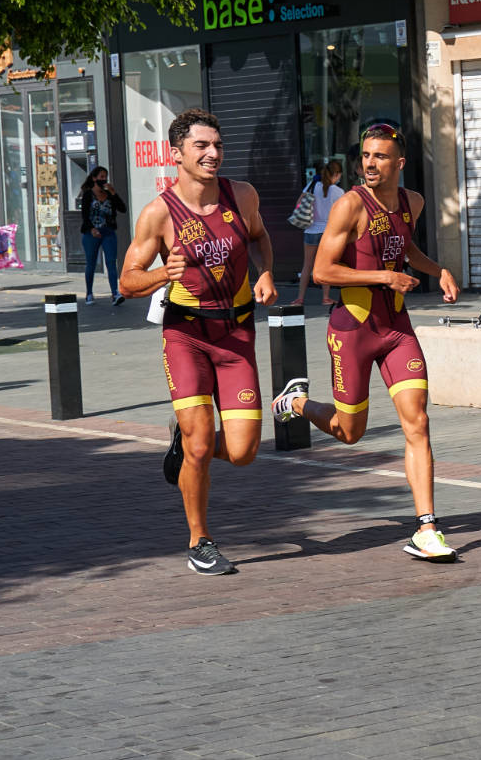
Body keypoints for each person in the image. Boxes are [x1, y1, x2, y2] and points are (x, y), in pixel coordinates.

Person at [270, 125, 462, 562]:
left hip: (396, 329)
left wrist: (438, 270)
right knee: (349, 432)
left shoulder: (413, 201)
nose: (370, 164)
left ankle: (427, 527)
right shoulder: (350, 206)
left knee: (417, 421)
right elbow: (322, 271)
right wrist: (383, 276)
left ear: (399, 163)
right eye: (366, 156)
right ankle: (297, 402)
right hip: (352, 329)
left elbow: (405, 247)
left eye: (380, 156)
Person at [118, 109, 277, 576]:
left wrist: (266, 272)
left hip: (236, 336)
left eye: (217, 145)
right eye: (201, 147)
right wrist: (160, 275)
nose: (212, 154)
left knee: (245, 450)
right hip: (186, 335)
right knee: (202, 444)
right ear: (177, 154)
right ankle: (199, 540)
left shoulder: (242, 195)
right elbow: (127, 281)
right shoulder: (159, 213)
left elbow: (262, 238)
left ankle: (183, 446)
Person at [297, 159, 346, 307]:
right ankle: (325, 297)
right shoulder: (338, 192)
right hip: (328, 232)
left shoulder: (312, 186)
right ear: (337, 174)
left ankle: (300, 298)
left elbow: (299, 203)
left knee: (307, 265)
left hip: (311, 230)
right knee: (326, 265)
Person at [77, 167, 125, 306]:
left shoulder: (109, 195)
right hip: (91, 233)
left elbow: (123, 209)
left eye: (105, 176)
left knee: (111, 262)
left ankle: (115, 293)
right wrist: (91, 228)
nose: (103, 179)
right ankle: (89, 293)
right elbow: (85, 215)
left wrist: (114, 193)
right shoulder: (88, 195)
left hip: (108, 231)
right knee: (91, 263)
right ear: (94, 178)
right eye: (101, 176)